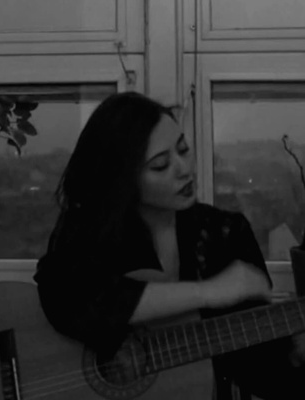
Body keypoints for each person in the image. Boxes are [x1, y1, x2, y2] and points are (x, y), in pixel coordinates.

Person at [34, 91, 305, 399]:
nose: (184, 169)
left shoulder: (225, 233)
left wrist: (294, 354)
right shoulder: (89, 232)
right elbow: (69, 300)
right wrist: (210, 291)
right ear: (122, 178)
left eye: (183, 149)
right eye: (161, 165)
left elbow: (256, 370)